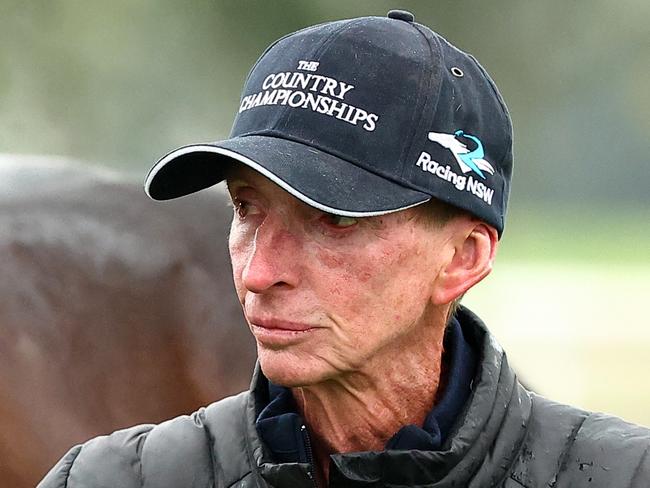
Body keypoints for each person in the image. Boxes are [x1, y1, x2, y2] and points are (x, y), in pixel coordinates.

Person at [39, 10, 649, 488]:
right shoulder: (105, 479)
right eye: (246, 208)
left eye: (331, 218)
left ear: (463, 257)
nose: (259, 272)